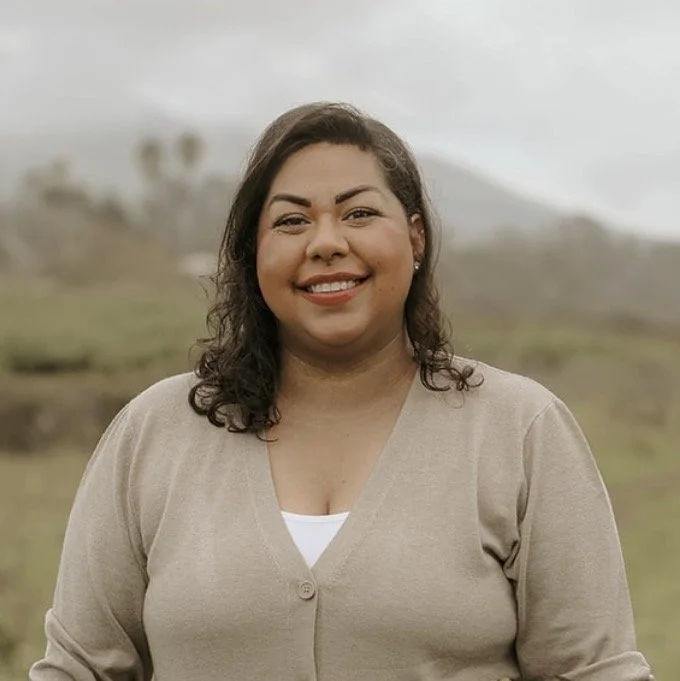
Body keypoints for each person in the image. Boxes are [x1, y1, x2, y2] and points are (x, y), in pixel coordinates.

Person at [30, 102, 654, 681]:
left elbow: (593, 670)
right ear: (256, 253)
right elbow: (79, 667)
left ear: (415, 238)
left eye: (359, 213)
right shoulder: (154, 433)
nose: (326, 242)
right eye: (292, 220)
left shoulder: (520, 431)